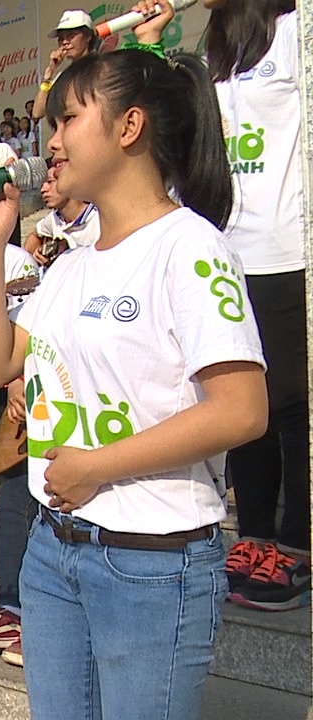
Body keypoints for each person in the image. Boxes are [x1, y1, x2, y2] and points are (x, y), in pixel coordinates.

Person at [0, 36, 269, 717]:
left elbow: (242, 409)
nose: (55, 139)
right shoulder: (72, 264)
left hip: (151, 566)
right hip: (54, 550)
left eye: (69, 118)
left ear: (130, 125)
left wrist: (98, 465)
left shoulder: (191, 248)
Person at [195, 0, 309, 610]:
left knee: (292, 403)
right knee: (244, 397)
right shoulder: (216, 45)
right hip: (227, 252)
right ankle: (255, 535)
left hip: (285, 247)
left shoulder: (295, 30)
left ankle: (296, 544)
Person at [30, 10, 101, 122]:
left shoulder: (101, 68)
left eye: (71, 36)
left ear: (88, 37)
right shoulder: (63, 76)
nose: (65, 42)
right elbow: (37, 112)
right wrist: (49, 75)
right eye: (61, 38)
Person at [24, 166, 100, 267]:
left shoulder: (98, 220)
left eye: (50, 182)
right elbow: (34, 235)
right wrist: (34, 258)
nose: (43, 189)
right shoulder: (54, 218)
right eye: (42, 184)